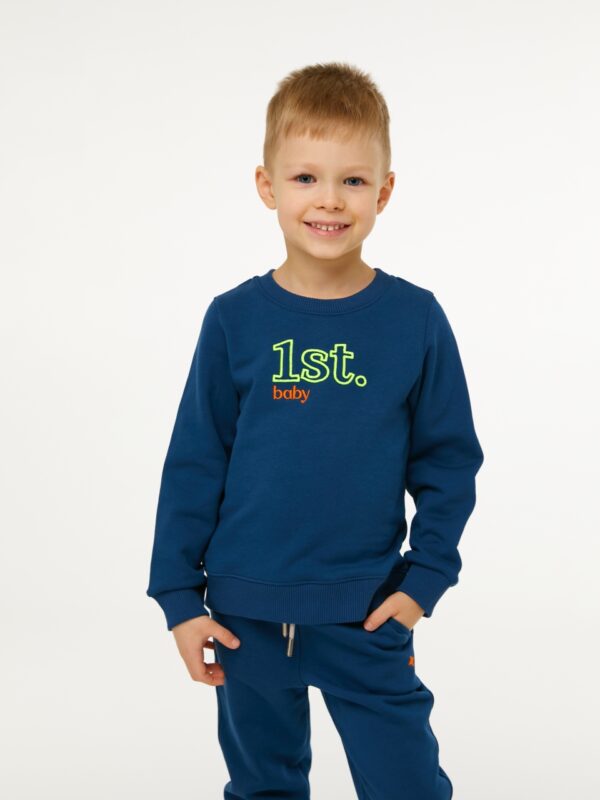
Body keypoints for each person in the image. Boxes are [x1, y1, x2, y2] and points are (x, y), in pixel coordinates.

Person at [146, 61, 484, 800]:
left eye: (352, 180)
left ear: (383, 192)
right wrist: (178, 596)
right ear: (267, 186)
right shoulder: (233, 319)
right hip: (244, 616)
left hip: (367, 612)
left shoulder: (415, 320)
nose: (329, 199)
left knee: (406, 785)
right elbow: (195, 461)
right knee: (264, 786)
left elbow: (448, 464)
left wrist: (424, 580)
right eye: (305, 178)